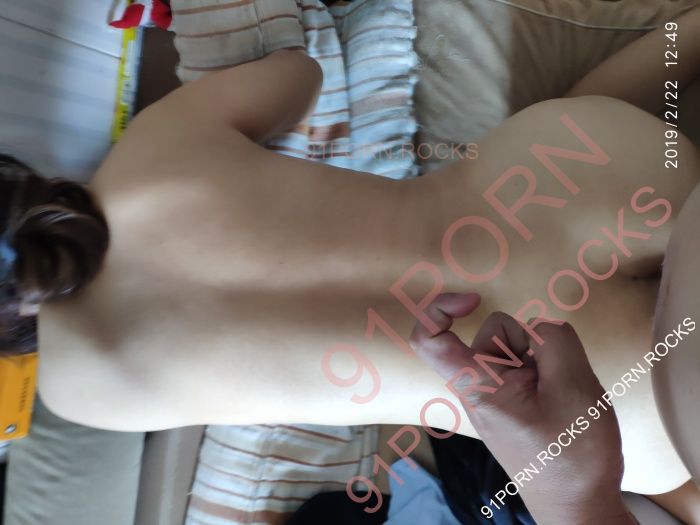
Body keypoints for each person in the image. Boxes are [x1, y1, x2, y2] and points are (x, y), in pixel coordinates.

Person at [1, 0, 699, 504]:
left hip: (607, 392)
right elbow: (296, 76)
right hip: (586, 185)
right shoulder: (147, 156)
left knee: (666, 468)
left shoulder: (78, 390)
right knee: (574, 128)